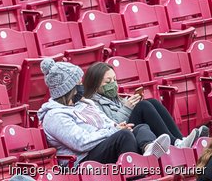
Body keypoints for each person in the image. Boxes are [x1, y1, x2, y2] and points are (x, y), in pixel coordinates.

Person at [38, 58, 172, 164]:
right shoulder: (54, 116)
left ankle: (150, 152)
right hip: (83, 159)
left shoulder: (85, 103)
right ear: (68, 89)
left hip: (102, 145)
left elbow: (107, 122)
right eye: (78, 83)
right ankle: (138, 173)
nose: (81, 86)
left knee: (140, 128)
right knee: (124, 136)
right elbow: (81, 143)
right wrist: (114, 131)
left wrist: (117, 127)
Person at [82, 61, 207, 148]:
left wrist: (130, 102)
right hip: (119, 136)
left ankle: (181, 139)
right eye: (108, 81)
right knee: (143, 107)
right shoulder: (92, 104)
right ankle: (176, 144)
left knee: (151, 102)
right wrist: (128, 107)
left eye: (114, 80)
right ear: (95, 84)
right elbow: (111, 125)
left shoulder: (115, 98)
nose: (113, 84)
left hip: (131, 127)